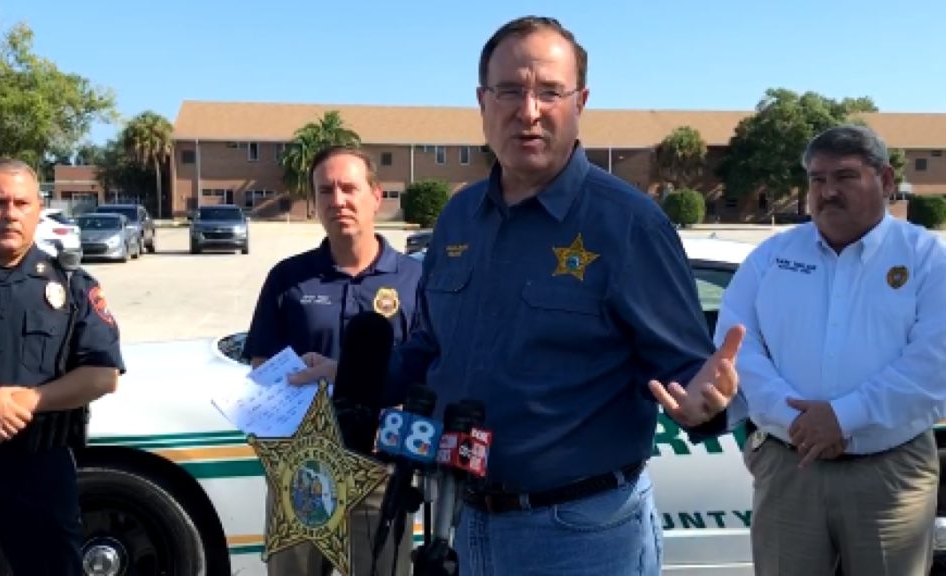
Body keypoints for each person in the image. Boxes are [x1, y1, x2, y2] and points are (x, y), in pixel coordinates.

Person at [291, 16, 744, 576]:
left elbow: (688, 374)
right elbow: (431, 348)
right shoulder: (459, 218)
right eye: (509, 90)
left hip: (581, 535)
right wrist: (356, 376)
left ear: (580, 102)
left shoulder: (629, 226)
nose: (528, 111)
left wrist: (707, 407)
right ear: (483, 102)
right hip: (459, 520)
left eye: (550, 91)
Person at [715, 125, 946, 576]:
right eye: (817, 179)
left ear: (884, 180)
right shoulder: (772, 257)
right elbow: (737, 345)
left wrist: (844, 417)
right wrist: (796, 419)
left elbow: (934, 362)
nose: (828, 192)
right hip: (790, 466)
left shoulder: (925, 259)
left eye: (845, 177)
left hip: (889, 473)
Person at [0, 158, 124, 575]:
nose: (10, 213)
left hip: (41, 472)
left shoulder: (72, 285)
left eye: (21, 203)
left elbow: (103, 375)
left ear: (39, 209)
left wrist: (28, 401)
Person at [244, 145, 422, 575]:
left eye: (349, 188)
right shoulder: (288, 279)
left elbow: (431, 371)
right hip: (303, 477)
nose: (338, 200)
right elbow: (262, 369)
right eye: (326, 191)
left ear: (376, 196)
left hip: (381, 473)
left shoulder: (417, 280)